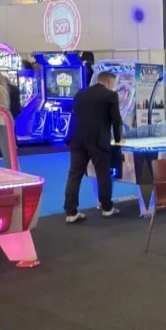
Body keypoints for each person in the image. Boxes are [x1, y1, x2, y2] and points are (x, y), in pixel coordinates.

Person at [64, 71, 123, 224]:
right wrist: (118, 140)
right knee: (103, 174)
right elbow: (116, 120)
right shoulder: (110, 95)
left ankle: (70, 212)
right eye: (114, 83)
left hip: (77, 140)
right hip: (98, 140)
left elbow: (75, 115)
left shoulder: (80, 94)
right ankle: (107, 208)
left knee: (74, 175)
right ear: (109, 81)